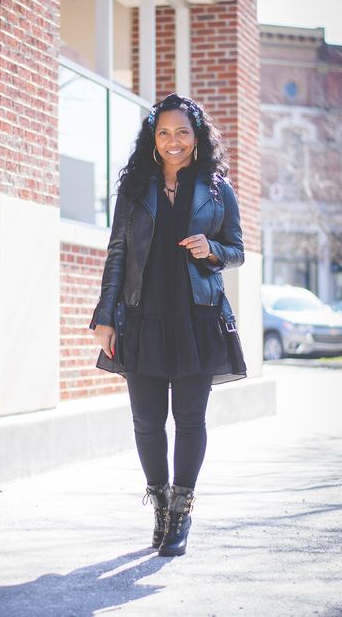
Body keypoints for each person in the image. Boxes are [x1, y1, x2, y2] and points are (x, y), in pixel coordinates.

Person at [89, 93, 246, 557]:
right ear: (152, 139)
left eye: (181, 132)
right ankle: (159, 503)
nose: (172, 141)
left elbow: (236, 249)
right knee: (146, 422)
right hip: (141, 316)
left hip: (198, 318)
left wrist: (212, 249)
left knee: (191, 419)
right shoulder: (136, 188)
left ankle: (181, 509)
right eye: (163, 133)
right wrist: (105, 317)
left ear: (195, 137)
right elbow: (117, 253)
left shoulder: (217, 189)